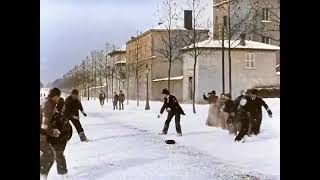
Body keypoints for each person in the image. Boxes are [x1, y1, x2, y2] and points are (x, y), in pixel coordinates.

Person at [40, 88, 62, 179]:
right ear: (55, 97)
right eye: (58, 97)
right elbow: (44, 124)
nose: (58, 99)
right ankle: (43, 176)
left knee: (46, 154)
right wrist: (53, 132)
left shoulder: (45, 101)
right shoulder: (48, 104)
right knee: (50, 155)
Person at [48, 97, 72, 176]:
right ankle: (63, 173)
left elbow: (68, 129)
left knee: (59, 155)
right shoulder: (56, 115)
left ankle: (63, 174)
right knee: (58, 155)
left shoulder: (62, 116)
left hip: (59, 140)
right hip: (57, 140)